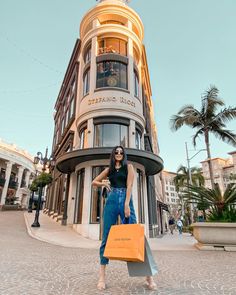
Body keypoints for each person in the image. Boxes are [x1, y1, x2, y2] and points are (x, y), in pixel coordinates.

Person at [92, 145, 157, 291]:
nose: (119, 153)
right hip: (112, 200)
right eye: (117, 152)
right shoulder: (108, 169)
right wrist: (103, 183)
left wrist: (127, 204)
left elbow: (129, 186)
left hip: (125, 199)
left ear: (124, 154)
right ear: (113, 154)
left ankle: (149, 277)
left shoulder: (129, 167)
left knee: (136, 237)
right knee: (106, 237)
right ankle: (102, 276)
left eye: (121, 152)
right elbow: (93, 182)